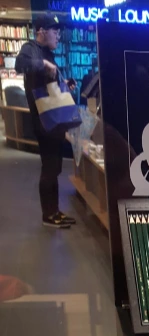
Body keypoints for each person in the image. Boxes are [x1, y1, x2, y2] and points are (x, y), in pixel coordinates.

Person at [15, 13, 76, 228]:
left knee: (55, 167)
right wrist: (42, 64)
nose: (58, 35)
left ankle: (54, 211)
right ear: (41, 31)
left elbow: (48, 84)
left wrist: (65, 84)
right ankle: (48, 215)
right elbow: (20, 64)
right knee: (49, 167)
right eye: (54, 31)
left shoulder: (48, 53)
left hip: (53, 120)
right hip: (44, 122)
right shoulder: (31, 49)